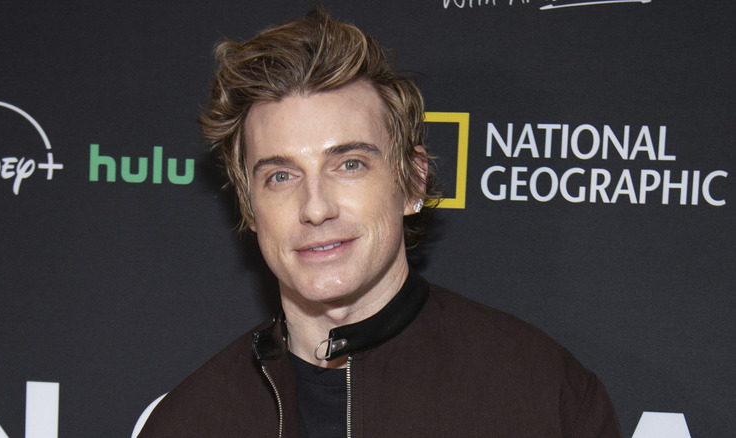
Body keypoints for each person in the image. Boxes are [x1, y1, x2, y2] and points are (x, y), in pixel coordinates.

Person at [138, 6, 623, 437]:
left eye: (349, 164)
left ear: (412, 182)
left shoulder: (543, 395)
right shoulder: (189, 422)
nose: (315, 208)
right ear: (249, 208)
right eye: (281, 176)